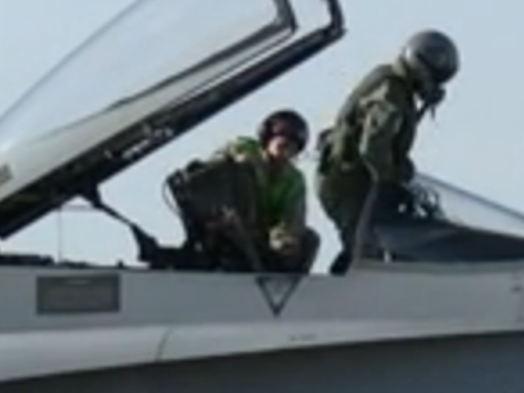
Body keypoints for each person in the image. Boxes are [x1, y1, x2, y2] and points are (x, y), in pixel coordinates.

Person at [315, 29, 460, 273]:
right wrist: (392, 179)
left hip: (360, 178)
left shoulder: (398, 86)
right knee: (364, 249)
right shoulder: (391, 90)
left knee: (375, 242)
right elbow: (372, 147)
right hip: (346, 180)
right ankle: (343, 293)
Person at [192, 108, 320, 274]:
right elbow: (209, 176)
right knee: (242, 173)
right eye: (281, 134)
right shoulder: (243, 149)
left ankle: (283, 281)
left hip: (261, 237)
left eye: (292, 143)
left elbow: (292, 217)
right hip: (226, 224)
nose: (286, 143)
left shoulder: (293, 180)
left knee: (310, 239)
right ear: (267, 136)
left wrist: (284, 240)